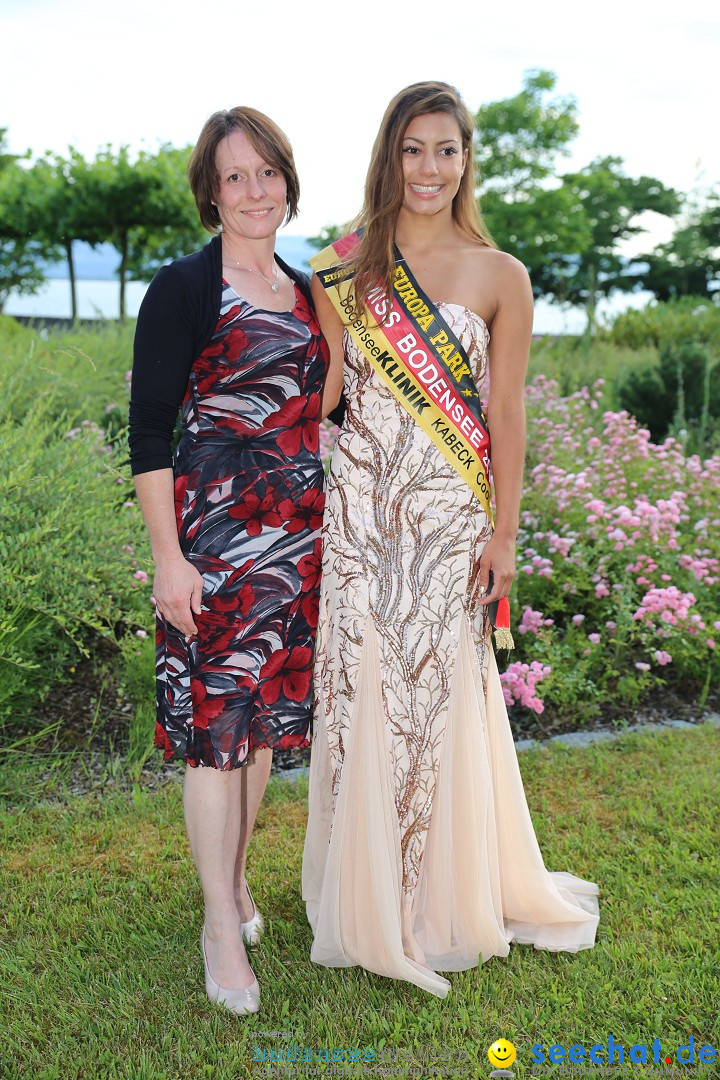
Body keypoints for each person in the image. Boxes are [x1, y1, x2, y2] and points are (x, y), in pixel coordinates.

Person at [302, 81, 599, 998]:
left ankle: (433, 902)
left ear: (468, 160)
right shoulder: (340, 268)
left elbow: (504, 414)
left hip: (448, 521)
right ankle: (363, 897)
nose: (428, 168)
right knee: (362, 693)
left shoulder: (500, 274)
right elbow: (327, 402)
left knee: (434, 704)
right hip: (358, 514)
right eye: (412, 149)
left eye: (446, 150)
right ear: (389, 156)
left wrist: (504, 532)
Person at [129, 107, 327, 1015]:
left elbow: (326, 408)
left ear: (287, 181)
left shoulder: (307, 287)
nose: (254, 191)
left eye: (267, 173)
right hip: (213, 545)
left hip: (297, 548)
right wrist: (170, 559)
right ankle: (218, 924)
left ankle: (240, 884)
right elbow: (148, 434)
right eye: (234, 176)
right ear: (211, 191)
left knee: (256, 736)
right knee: (215, 740)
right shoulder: (182, 288)